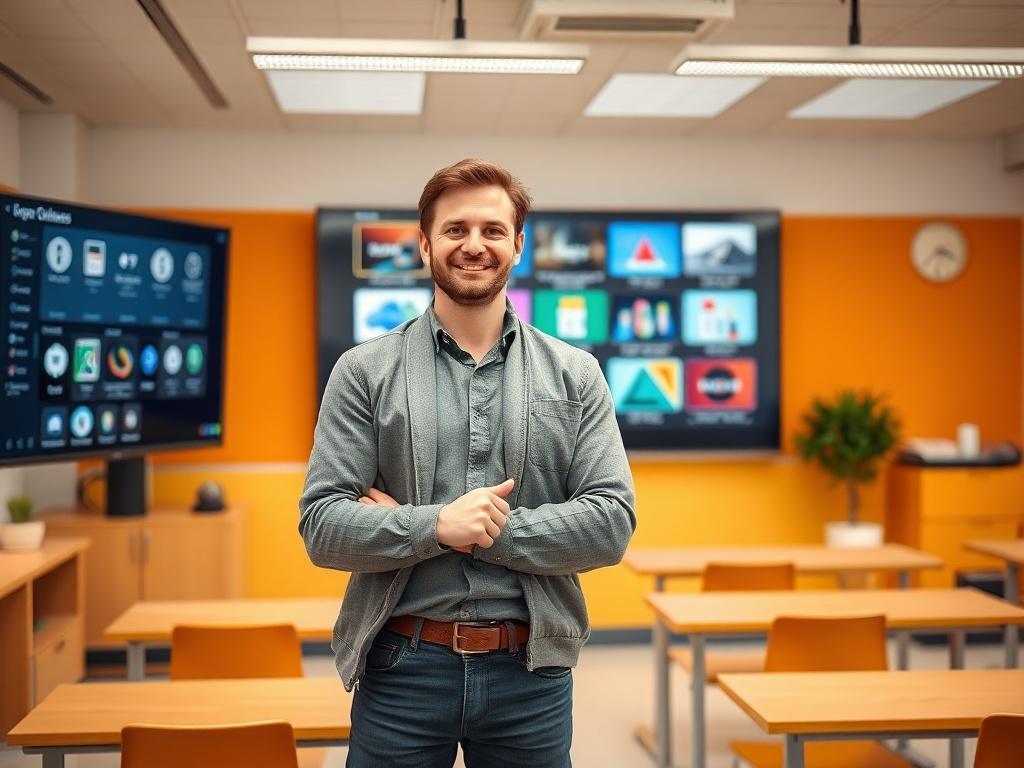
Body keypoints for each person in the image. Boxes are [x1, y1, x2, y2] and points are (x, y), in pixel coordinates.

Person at [300, 158, 636, 767]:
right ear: (425, 245)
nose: (474, 245)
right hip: (401, 669)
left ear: (518, 245)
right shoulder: (364, 372)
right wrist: (434, 526)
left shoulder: (575, 373)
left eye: (492, 230)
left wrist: (473, 530)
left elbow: (611, 524)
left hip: (531, 673)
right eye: (455, 230)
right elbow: (323, 528)